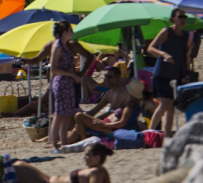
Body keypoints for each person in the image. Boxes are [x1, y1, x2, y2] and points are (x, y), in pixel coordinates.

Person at [13, 143, 114, 183]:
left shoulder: (96, 172)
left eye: (87, 155)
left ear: (97, 157)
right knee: (19, 164)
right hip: (48, 181)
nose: (84, 157)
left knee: (15, 169)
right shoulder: (100, 171)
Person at [147, 8, 190, 137]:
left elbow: (184, 58)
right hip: (161, 73)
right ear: (173, 19)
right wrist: (163, 53)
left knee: (171, 108)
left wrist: (189, 50)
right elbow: (150, 48)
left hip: (174, 75)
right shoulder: (166, 31)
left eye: (184, 17)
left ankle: (166, 138)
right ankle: (149, 132)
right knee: (165, 104)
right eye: (180, 17)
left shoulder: (186, 35)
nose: (183, 19)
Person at [68, 78, 148, 143]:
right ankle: (63, 143)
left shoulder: (130, 105)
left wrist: (103, 124)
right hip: (106, 125)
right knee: (77, 128)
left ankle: (83, 141)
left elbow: (122, 123)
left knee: (79, 116)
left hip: (107, 128)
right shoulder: (133, 104)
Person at [49, 21, 81, 153]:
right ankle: (54, 146)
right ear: (64, 32)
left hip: (67, 82)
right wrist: (71, 74)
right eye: (70, 30)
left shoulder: (65, 46)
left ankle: (63, 144)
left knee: (66, 114)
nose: (72, 32)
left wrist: (72, 61)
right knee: (58, 115)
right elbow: (54, 68)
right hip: (61, 83)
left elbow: (62, 64)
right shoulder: (57, 46)